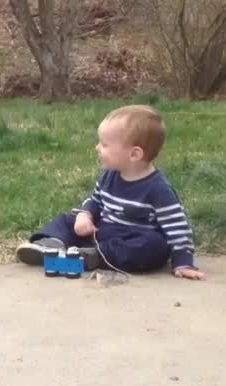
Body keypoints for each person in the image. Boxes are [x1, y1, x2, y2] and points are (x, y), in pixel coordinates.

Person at [15, 104, 206, 281]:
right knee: (67, 220)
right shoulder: (109, 175)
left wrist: (183, 261)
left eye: (104, 145)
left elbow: (177, 228)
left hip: (131, 240)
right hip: (101, 231)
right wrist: (85, 215)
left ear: (134, 154)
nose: (97, 148)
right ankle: (50, 246)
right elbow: (96, 201)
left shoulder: (158, 190)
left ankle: (92, 257)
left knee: (155, 245)